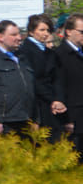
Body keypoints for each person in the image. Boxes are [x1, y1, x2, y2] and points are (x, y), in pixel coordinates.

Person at [0, 20, 35, 135]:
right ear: (0, 37)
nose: (19, 38)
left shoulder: (22, 58)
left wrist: (35, 117)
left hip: (26, 118)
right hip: (5, 121)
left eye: (19, 34)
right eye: (14, 35)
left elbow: (31, 87)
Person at [17, 14, 66, 142]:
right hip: (37, 104)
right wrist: (52, 100)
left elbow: (57, 78)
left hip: (52, 103)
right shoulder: (24, 52)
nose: (46, 34)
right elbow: (33, 79)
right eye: (42, 30)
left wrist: (59, 99)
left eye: (48, 30)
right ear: (32, 31)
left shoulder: (50, 53)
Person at [56, 13, 83, 155]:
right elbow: (60, 87)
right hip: (72, 118)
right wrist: (67, 119)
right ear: (69, 32)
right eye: (81, 32)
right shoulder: (61, 54)